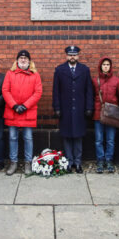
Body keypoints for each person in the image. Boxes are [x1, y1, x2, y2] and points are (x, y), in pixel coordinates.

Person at [52, 45, 93, 173]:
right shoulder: (59, 70)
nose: (72, 57)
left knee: (78, 136)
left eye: (74, 54)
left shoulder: (84, 70)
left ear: (78, 56)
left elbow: (89, 91)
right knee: (67, 137)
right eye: (70, 55)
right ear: (66, 56)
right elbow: (56, 91)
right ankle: (69, 162)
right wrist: (57, 108)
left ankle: (78, 162)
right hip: (65, 109)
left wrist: (89, 107)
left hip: (80, 109)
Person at [2, 50, 43, 175]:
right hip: (13, 111)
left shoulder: (35, 75)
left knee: (28, 138)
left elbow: (38, 92)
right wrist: (14, 105)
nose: (23, 60)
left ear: (29, 61)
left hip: (27, 111)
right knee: (13, 138)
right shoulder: (10, 73)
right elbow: (5, 90)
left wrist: (25, 106)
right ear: (17, 60)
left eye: (25, 58)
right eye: (21, 58)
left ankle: (27, 163)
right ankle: (13, 162)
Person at [92, 56, 119, 173]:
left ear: (110, 67)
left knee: (110, 140)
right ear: (100, 66)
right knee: (98, 140)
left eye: (108, 65)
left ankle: (109, 160)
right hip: (98, 113)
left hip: (111, 115)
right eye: (104, 65)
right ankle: (100, 160)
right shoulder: (95, 80)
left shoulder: (116, 81)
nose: (106, 67)